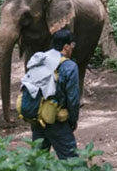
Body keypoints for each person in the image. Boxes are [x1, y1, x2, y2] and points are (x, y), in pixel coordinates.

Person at [29, 29, 80, 159]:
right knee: (71, 160)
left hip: (36, 116)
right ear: (66, 46)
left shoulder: (40, 59)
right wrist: (72, 120)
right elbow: (73, 99)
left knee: (38, 160)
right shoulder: (69, 66)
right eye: (72, 46)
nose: (72, 49)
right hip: (56, 119)